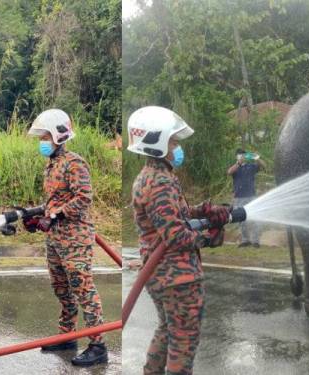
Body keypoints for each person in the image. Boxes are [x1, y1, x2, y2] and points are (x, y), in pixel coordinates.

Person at [127, 106, 231, 375]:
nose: (177, 147)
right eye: (174, 142)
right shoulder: (160, 182)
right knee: (183, 339)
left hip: (160, 275)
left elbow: (170, 217)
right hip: (177, 278)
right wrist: (209, 237)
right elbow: (176, 235)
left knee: (167, 330)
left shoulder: (151, 177)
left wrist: (200, 210)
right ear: (157, 143)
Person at [24, 108, 107, 366]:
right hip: (55, 238)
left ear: (59, 136)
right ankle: (68, 335)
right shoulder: (51, 166)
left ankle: (98, 344)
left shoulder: (75, 163)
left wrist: (57, 215)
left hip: (75, 237)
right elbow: (53, 201)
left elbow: (83, 198)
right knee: (61, 288)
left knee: (83, 288)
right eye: (41, 138)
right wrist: (35, 216)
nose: (42, 142)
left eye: (45, 137)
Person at [227, 148, 265, 247]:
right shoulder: (235, 167)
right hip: (239, 198)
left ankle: (256, 241)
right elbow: (229, 172)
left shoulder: (250, 166)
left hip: (251, 196)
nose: (242, 157)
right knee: (241, 220)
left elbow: (263, 166)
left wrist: (257, 158)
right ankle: (245, 240)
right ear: (237, 156)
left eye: (243, 155)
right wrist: (238, 163)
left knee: (255, 218)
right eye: (240, 155)